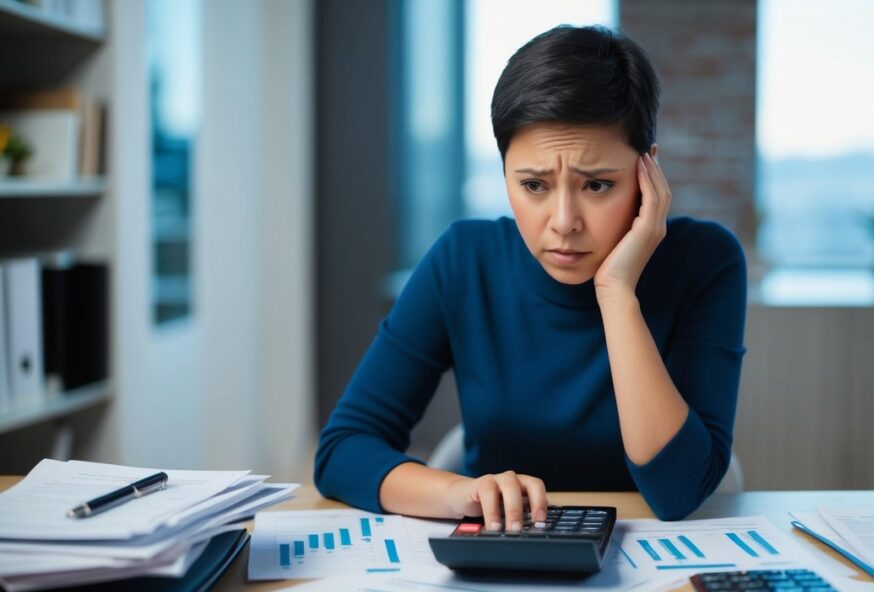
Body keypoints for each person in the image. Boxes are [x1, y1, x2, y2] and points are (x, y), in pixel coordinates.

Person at [315, 25, 746, 529]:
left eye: (598, 184)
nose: (564, 221)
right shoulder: (464, 259)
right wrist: (460, 493)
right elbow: (343, 451)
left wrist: (616, 292)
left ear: (648, 174)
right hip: (497, 556)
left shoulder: (705, 261)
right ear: (504, 173)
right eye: (534, 185)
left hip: (653, 559)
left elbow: (678, 492)